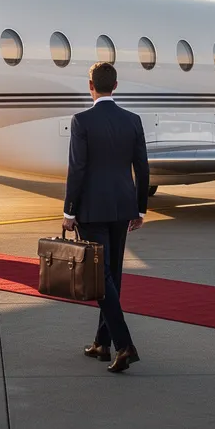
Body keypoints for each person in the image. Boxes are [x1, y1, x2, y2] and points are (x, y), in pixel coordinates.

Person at [62, 62, 150, 373]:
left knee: (100, 279)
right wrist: (140, 209)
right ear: (115, 86)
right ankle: (102, 343)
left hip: (92, 210)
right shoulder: (133, 121)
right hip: (122, 209)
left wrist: (68, 212)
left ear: (91, 86)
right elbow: (142, 168)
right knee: (112, 274)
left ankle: (124, 345)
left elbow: (78, 169)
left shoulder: (82, 121)